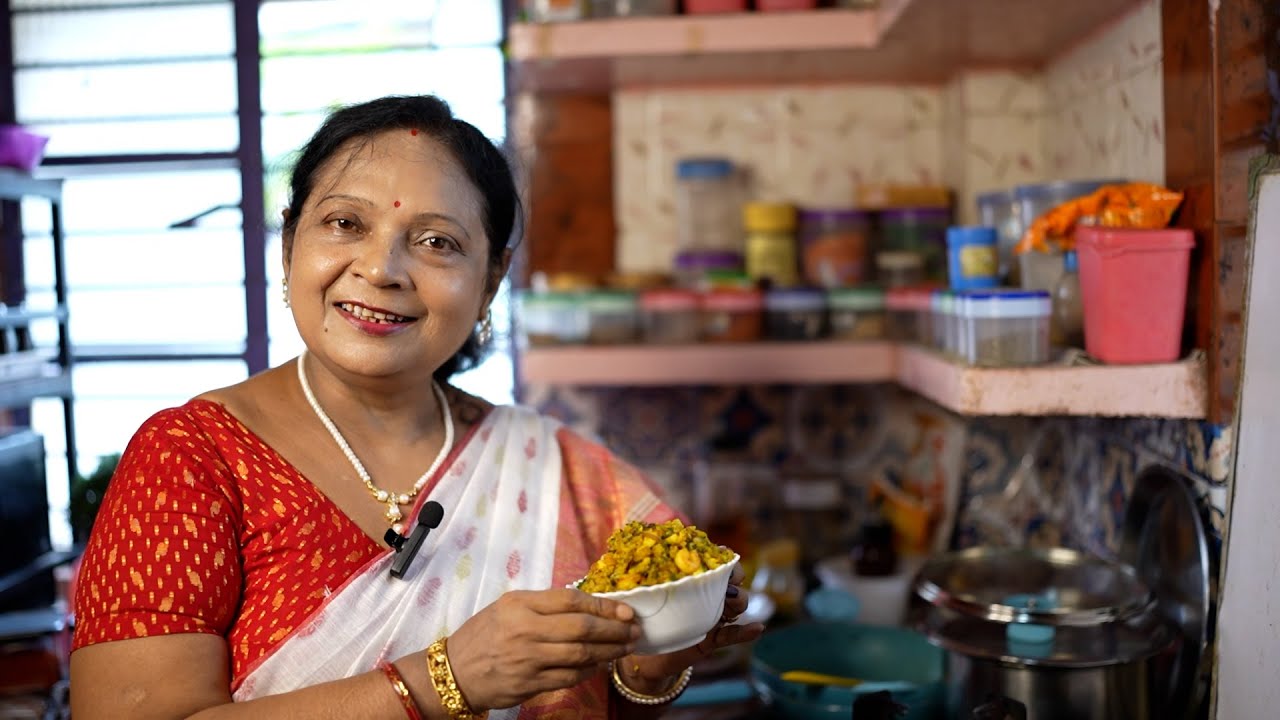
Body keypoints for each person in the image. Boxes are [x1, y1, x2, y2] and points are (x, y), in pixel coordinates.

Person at [69, 95, 763, 719]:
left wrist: (645, 671)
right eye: (344, 223)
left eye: (438, 242)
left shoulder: (564, 473)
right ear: (289, 246)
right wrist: (447, 677)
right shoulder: (192, 458)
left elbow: (599, 703)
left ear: (491, 279)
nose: (381, 269)